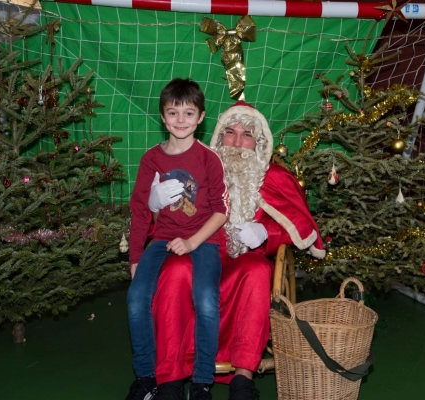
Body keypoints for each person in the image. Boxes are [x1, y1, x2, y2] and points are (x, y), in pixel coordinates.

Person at [148, 101, 326, 400]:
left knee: (257, 270)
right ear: (219, 137)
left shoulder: (275, 177)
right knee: (175, 270)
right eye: (230, 132)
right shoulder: (196, 170)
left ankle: (243, 378)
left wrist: (266, 233)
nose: (237, 142)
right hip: (198, 254)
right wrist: (155, 206)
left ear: (259, 142)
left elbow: (301, 226)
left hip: (244, 260)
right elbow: (164, 224)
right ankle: (170, 379)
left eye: (247, 135)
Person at [126, 78, 229, 400]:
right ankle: (147, 377)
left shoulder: (209, 158)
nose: (180, 120)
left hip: (203, 241)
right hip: (162, 239)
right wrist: (135, 258)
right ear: (162, 116)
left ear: (201, 118)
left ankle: (201, 381)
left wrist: (193, 242)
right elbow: (140, 212)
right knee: (136, 297)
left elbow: (221, 211)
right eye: (173, 113)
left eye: (188, 113)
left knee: (206, 299)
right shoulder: (151, 159)